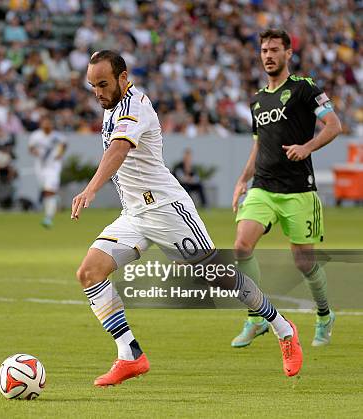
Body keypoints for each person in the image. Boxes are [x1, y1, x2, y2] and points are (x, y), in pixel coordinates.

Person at [71, 50, 302, 387]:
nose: (98, 93)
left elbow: (118, 150)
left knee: (219, 277)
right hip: (134, 215)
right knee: (89, 273)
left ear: (123, 78)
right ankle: (130, 355)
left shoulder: (136, 105)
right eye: (92, 86)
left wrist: (91, 189)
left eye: (103, 84)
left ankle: (283, 327)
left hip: (167, 210)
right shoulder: (111, 109)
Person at [231, 29, 342, 348]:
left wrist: (307, 147)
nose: (268, 55)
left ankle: (324, 315)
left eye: (275, 50)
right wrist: (242, 180)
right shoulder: (257, 101)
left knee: (304, 261)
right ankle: (255, 317)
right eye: (264, 50)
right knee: (241, 246)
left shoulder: (305, 89)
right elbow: (258, 147)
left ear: (288, 53)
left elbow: (334, 125)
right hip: (263, 187)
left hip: (299, 190)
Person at [28, 116, 67, 228]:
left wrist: (60, 153)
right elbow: (30, 148)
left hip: (53, 167)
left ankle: (48, 217)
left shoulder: (57, 136)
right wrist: (34, 151)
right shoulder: (36, 136)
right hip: (40, 167)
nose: (46, 125)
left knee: (49, 190)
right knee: (46, 191)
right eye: (44, 123)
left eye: (48, 123)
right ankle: (56, 201)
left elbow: (64, 144)